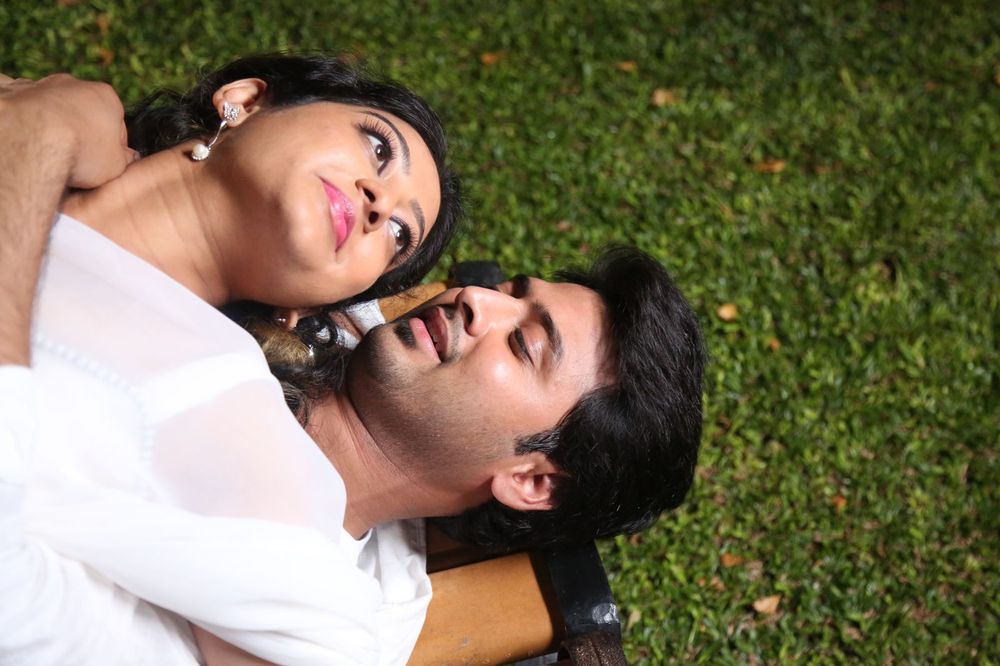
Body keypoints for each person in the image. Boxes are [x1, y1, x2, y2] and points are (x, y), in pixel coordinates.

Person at [1, 69, 706, 666]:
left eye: (524, 344)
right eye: (511, 291)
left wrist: (37, 141)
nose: (476, 300)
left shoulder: (319, 608)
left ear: (532, 479)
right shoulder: (261, 302)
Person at [0, 56, 463, 666]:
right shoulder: (44, 111)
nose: (380, 205)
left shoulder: (225, 404)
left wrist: (36, 143)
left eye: (399, 234)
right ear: (243, 101)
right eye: (378, 149)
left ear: (308, 307)